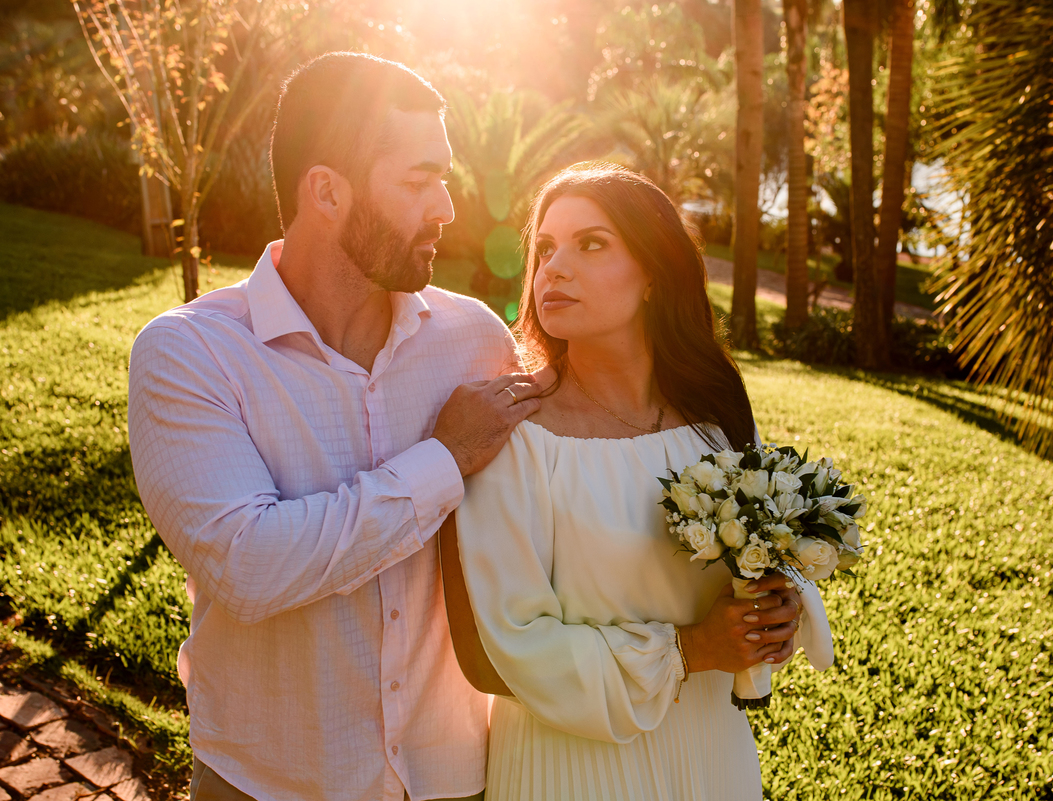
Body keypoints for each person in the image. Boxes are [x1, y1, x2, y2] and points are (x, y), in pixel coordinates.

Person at [127, 52, 543, 801]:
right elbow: (250, 566)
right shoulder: (189, 353)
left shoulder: (475, 339)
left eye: (442, 177)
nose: (446, 206)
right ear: (326, 190)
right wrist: (443, 460)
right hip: (266, 782)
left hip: (451, 777)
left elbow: (549, 513)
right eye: (418, 181)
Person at [441, 164, 831, 800]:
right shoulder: (512, 432)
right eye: (544, 248)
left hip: (710, 755)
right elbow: (493, 653)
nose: (553, 268)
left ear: (654, 272)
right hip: (569, 767)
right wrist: (689, 650)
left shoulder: (715, 416)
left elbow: (760, 563)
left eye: (590, 243)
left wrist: (776, 608)